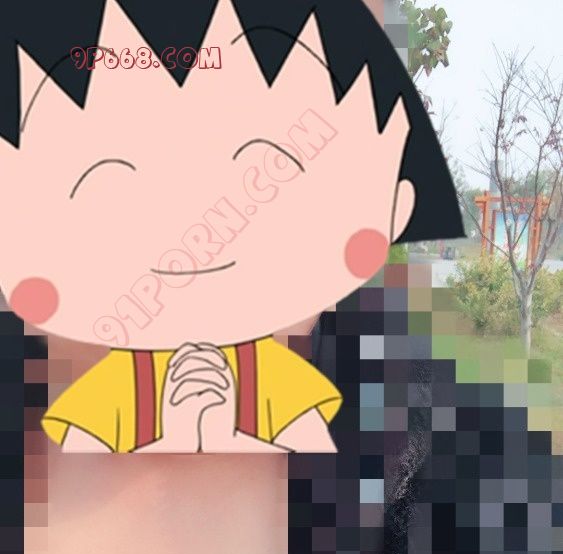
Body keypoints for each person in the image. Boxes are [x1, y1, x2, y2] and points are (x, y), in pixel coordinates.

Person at [0, 0, 462, 454]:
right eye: (110, 191)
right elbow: (83, 439)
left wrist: (221, 431)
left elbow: (310, 447)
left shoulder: (312, 385)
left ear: (392, 206)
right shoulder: (105, 394)